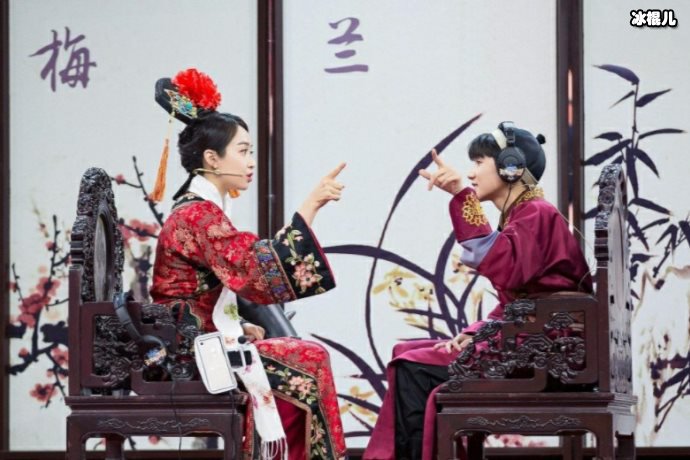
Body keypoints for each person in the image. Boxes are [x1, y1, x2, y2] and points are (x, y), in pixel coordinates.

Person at [363, 122, 593, 460]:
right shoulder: (527, 213)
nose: (471, 173)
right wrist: (476, 332)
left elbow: (503, 267)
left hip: (549, 350)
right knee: (406, 352)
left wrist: (461, 195)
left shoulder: (536, 213)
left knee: (413, 366)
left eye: (479, 162)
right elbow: (517, 299)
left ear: (511, 166)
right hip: (540, 340)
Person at [148, 68, 346, 460]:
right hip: (189, 352)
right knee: (310, 358)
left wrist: (237, 326)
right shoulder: (198, 215)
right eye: (243, 151)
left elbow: (235, 274)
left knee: (297, 352)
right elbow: (255, 271)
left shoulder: (198, 210)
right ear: (212, 159)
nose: (250, 162)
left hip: (194, 340)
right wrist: (310, 207)